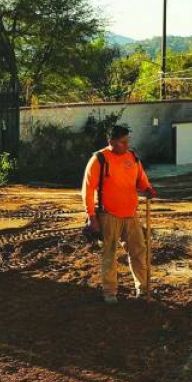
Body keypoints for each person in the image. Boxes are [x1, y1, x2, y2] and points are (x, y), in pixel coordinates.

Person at [81, 124, 157, 304]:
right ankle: (110, 293)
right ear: (111, 142)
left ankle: (143, 289)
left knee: (139, 252)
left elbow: (141, 179)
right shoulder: (99, 159)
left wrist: (147, 189)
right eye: (123, 142)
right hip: (108, 216)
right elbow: (87, 190)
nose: (126, 145)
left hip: (131, 215)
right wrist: (92, 218)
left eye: (127, 141)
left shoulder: (132, 157)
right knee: (110, 254)